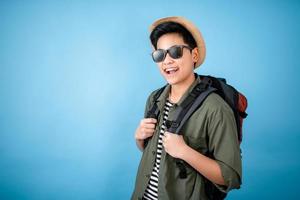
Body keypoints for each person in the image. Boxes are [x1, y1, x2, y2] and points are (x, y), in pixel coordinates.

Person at [131, 16, 242, 200]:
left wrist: (185, 151)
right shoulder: (155, 99)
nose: (167, 61)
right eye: (160, 55)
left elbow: (231, 177)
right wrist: (139, 138)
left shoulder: (215, 108)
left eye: (175, 52)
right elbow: (158, 155)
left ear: (195, 55)